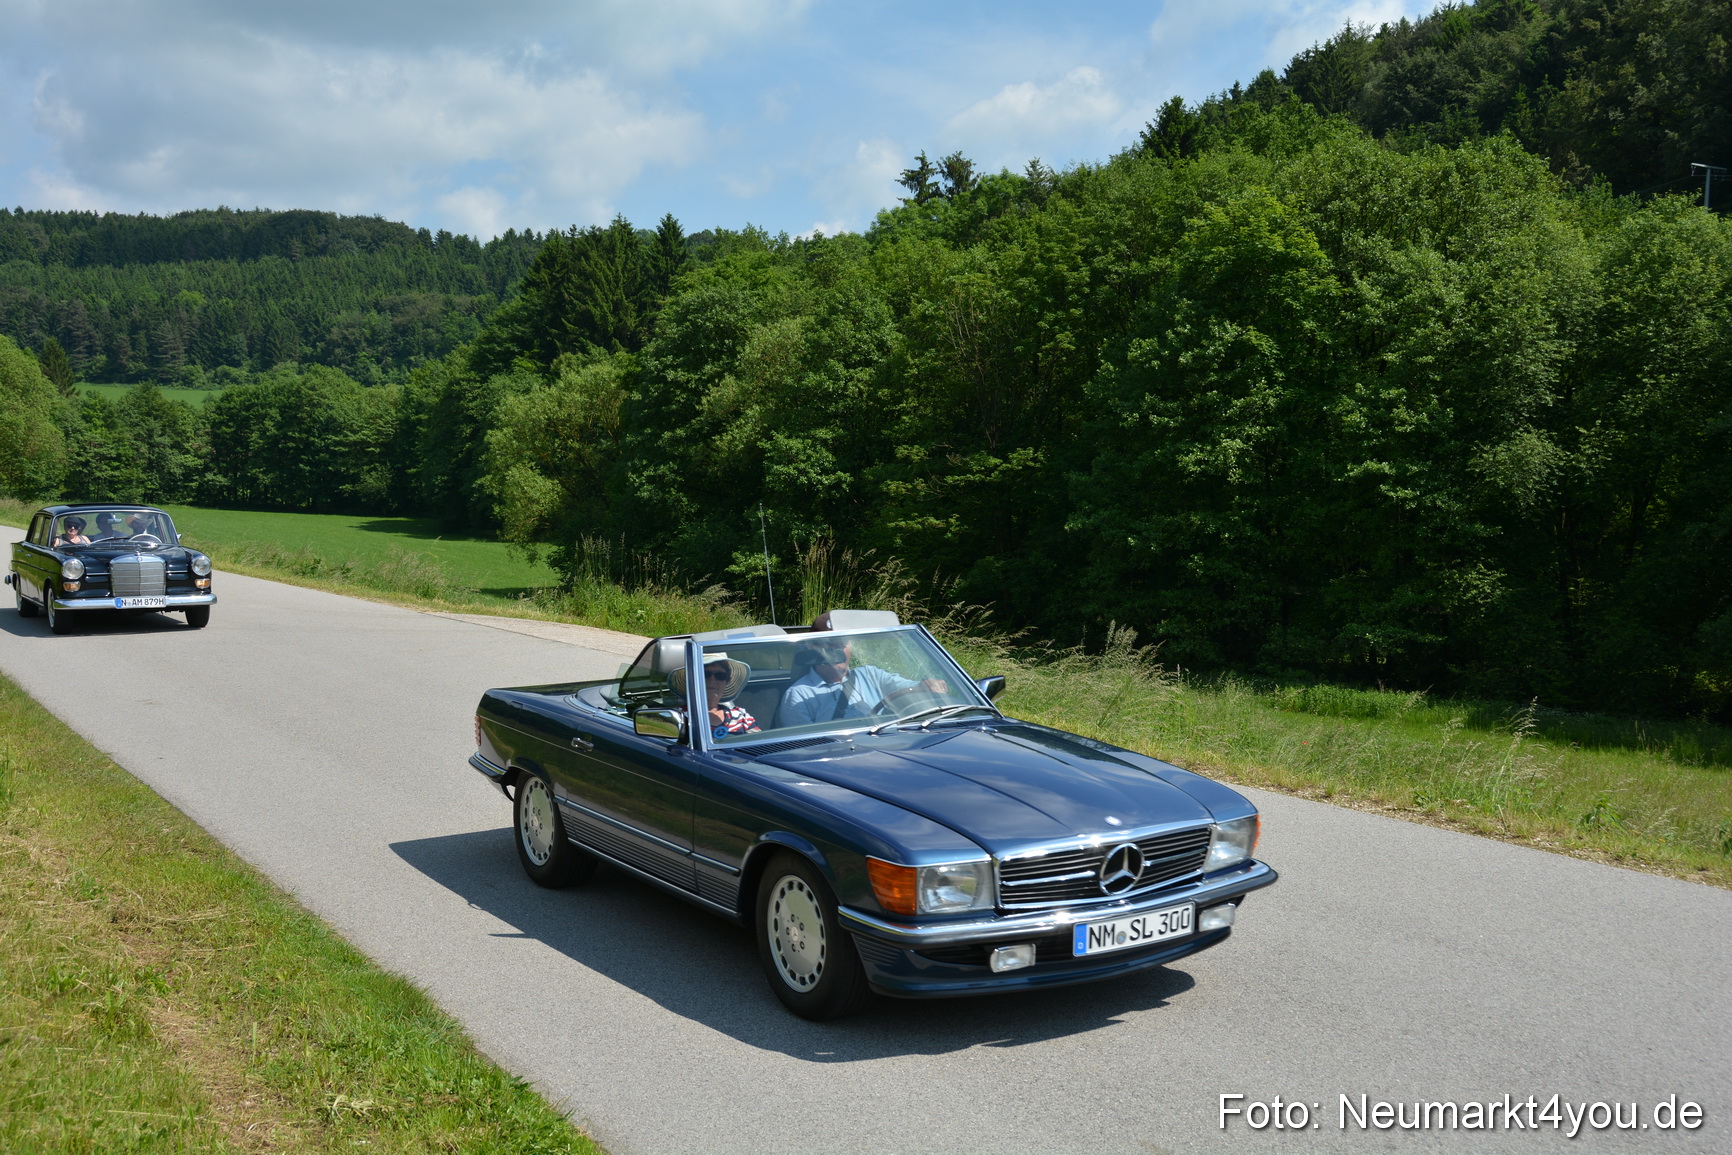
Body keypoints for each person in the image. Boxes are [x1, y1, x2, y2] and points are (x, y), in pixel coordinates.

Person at [778, 639, 947, 726]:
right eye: (829, 646)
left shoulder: (870, 674)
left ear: (850, 647)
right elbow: (804, 750)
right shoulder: (799, 694)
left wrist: (926, 686)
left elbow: (907, 687)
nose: (836, 652)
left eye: (841, 645)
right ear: (811, 649)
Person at [678, 653, 759, 740]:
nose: (712, 680)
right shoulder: (680, 717)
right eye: (705, 674)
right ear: (693, 680)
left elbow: (759, 743)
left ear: (726, 682)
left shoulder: (741, 716)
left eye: (720, 676)